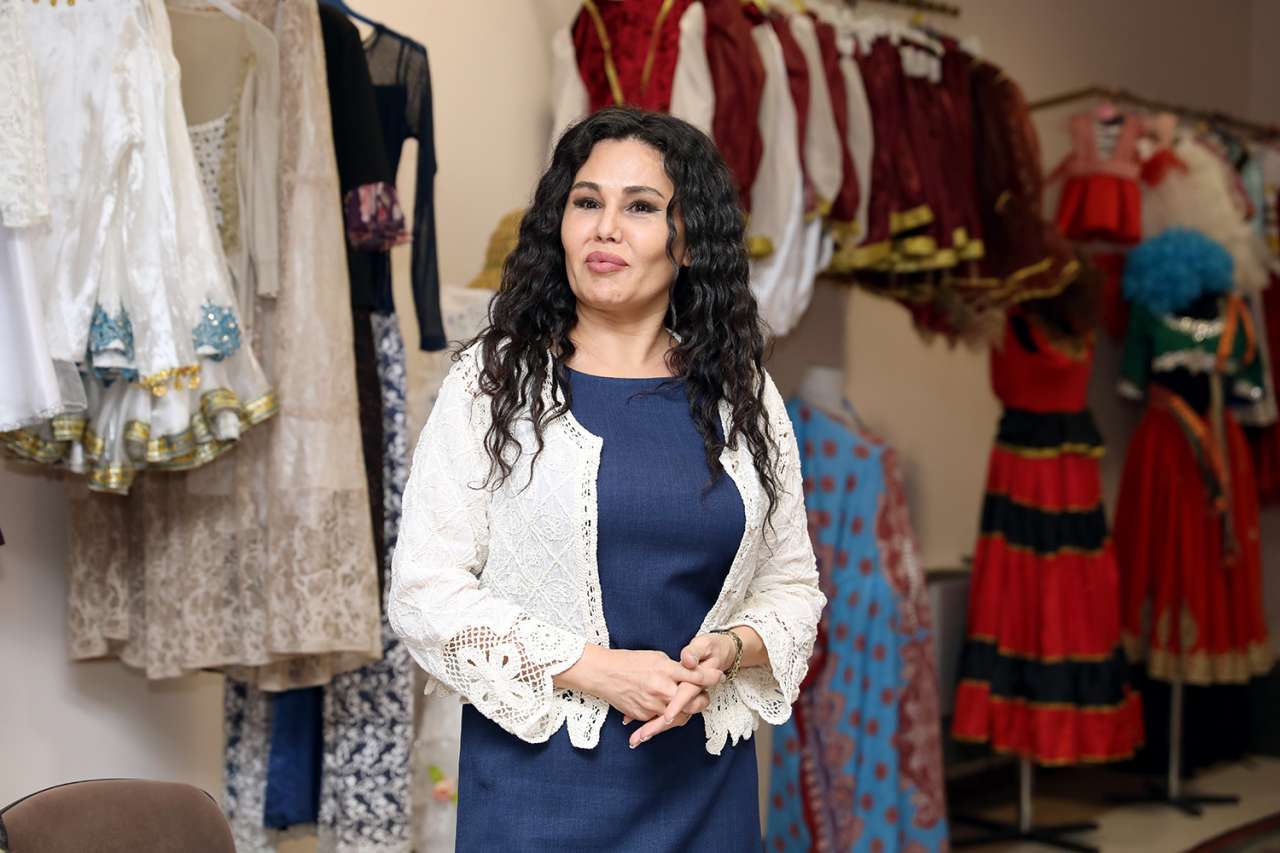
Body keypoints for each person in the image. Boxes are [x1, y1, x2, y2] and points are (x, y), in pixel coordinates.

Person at [388, 106, 825, 850]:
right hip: (536, 796)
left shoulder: (742, 393)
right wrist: (596, 670)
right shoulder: (493, 385)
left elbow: (792, 585)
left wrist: (732, 647)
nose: (606, 229)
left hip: (705, 790)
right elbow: (424, 592)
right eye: (587, 202)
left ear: (689, 241)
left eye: (642, 207)